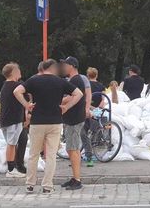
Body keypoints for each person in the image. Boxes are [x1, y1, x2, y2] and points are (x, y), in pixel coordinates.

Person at [13, 59, 83, 194]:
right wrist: (66, 107)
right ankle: (47, 185)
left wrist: (26, 105)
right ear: (52, 68)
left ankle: (30, 184)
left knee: (34, 154)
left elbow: (17, 91)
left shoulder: (33, 80)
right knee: (50, 155)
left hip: (37, 121)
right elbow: (78, 94)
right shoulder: (61, 81)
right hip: (55, 121)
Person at [60, 57, 92, 189]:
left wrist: (60, 101)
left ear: (72, 66)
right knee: (73, 149)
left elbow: (72, 96)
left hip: (73, 119)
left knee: (73, 149)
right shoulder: (76, 79)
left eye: (65, 65)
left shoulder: (75, 80)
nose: (63, 67)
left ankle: (77, 180)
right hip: (74, 118)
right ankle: (75, 177)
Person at [0, 63, 26, 178]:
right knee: (11, 144)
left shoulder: (5, 85)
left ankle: (12, 167)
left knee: (11, 144)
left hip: (6, 120)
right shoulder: (16, 86)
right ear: (13, 72)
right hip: (13, 120)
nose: (20, 71)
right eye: (18, 69)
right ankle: (11, 169)